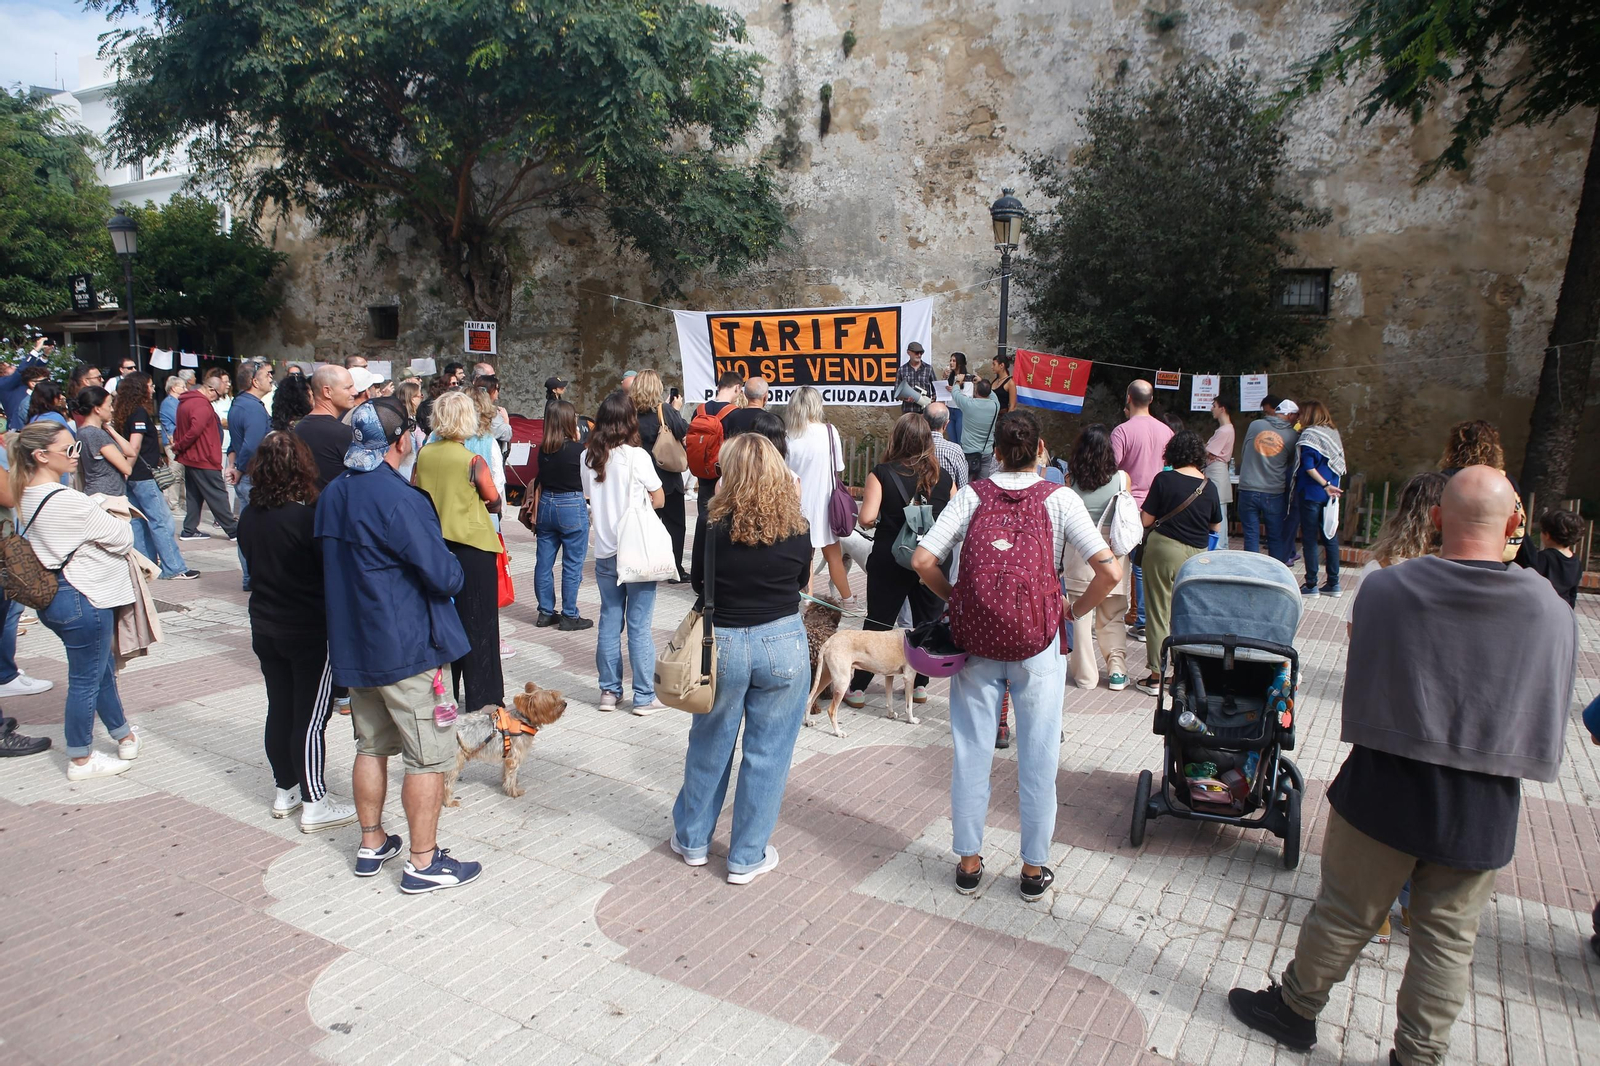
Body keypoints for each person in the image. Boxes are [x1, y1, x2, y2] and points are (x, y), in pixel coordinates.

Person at [1228, 466, 1578, 1066]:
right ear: (1516, 523)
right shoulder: (1548, 609)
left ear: (1437, 518)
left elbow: (1365, 673)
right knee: (1448, 941)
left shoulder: (1390, 587)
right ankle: (1419, 1056)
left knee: (1345, 912)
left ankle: (1294, 1009)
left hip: (1386, 780)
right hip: (1484, 798)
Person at [911, 409, 1120, 901]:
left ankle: (967, 862)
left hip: (977, 643)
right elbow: (1108, 571)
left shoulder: (970, 496)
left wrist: (955, 596)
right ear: (1041, 450)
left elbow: (923, 559)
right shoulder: (1060, 499)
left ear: (997, 452)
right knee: (1039, 756)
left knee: (971, 752)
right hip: (1038, 643)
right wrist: (1073, 611)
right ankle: (1032, 869)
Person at [317, 398, 482, 893]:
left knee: (370, 745)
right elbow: (445, 575)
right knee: (428, 756)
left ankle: (372, 842)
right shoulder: (399, 499)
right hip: (407, 646)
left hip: (355, 644)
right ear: (401, 441)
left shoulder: (332, 493)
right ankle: (423, 862)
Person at [673, 434, 813, 884]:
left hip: (725, 641)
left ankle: (693, 838)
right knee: (768, 753)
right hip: (783, 640)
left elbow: (698, 584)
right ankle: (747, 854)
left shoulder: (713, 525)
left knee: (710, 744)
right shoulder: (798, 526)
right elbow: (801, 579)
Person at [1341, 469, 1448, 946]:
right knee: (1428, 809)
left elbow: (1355, 633)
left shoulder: (1380, 568)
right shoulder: (1462, 572)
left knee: (1382, 810)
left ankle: (1378, 906)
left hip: (1385, 706)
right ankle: (1414, 905)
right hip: (1442, 712)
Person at [236, 431, 357, 831]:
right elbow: (329, 572)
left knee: (281, 708)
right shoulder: (307, 519)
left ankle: (285, 788)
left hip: (265, 624)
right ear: (301, 468)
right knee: (310, 719)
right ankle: (315, 800)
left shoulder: (250, 516)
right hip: (306, 629)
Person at [13, 422, 140, 780]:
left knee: (98, 673)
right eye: (69, 450)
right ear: (41, 455)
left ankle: (123, 735)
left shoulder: (23, 491)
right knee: (87, 678)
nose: (76, 456)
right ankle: (81, 757)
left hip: (54, 597)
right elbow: (121, 536)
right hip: (84, 596)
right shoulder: (64, 499)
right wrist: (99, 509)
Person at [843, 414, 954, 709]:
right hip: (932, 559)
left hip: (891, 557)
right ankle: (919, 686)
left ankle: (858, 688)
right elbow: (955, 517)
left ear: (897, 439)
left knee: (878, 621)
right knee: (927, 622)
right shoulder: (943, 477)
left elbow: (866, 518)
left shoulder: (881, 473)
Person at [414, 391, 506, 717]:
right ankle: (485, 698)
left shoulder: (424, 454)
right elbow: (493, 499)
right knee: (480, 625)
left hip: (436, 546)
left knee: (443, 624)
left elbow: (415, 491)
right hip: (472, 546)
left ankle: (445, 694)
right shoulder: (472, 461)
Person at [583, 390, 666, 715]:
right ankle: (643, 697)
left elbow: (590, 496)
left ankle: (608, 691)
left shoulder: (588, 457)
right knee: (640, 625)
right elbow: (659, 498)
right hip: (637, 551)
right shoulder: (637, 457)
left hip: (605, 550)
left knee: (609, 620)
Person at [1134, 430, 1222, 696]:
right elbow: (1215, 525)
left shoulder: (1164, 479)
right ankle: (1184, 672)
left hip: (1163, 549)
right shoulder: (1209, 486)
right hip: (1197, 555)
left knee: (1158, 611)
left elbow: (1146, 521)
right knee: (1187, 614)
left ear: (1172, 453)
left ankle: (1156, 675)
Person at [1063, 424, 1132, 691]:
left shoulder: (1070, 480)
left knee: (1079, 615)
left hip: (1080, 553)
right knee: (1112, 615)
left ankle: (1086, 677)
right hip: (1112, 552)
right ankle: (1116, 671)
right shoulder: (1122, 478)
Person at [110, 373, 196, 580]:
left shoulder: (123, 412)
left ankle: (146, 566)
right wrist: (127, 468)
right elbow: (135, 445)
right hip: (143, 475)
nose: (153, 390)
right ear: (140, 389)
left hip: (132, 475)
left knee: (138, 522)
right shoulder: (138, 412)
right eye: (150, 386)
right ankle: (174, 567)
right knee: (161, 520)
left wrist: (125, 472)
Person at [1112, 380, 1174, 641]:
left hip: (1128, 505)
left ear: (1128, 398)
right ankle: (1146, 620)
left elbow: (1111, 469)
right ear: (1152, 400)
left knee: (1122, 564)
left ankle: (1126, 619)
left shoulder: (1121, 432)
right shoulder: (1166, 431)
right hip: (1160, 505)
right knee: (1145, 565)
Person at [784, 386, 853, 603]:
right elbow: (838, 467)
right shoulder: (830, 432)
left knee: (805, 557)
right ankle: (848, 599)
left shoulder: (788, 437)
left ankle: (806, 600)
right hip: (826, 504)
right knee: (834, 556)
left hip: (797, 503)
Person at [530, 400, 592, 631]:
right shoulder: (579, 451)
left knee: (544, 563)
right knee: (572, 563)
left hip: (547, 504)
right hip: (571, 503)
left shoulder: (542, 449)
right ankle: (569, 614)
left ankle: (545, 611)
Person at [1439, 419, 1527, 564]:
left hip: (1452, 557)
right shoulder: (1504, 481)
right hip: (1499, 558)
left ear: (1454, 447)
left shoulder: (1446, 478)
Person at [633, 370, 690, 582]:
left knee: (645, 524)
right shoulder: (664, 410)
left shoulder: (628, 412)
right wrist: (675, 410)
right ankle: (674, 569)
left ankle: (646, 565)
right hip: (666, 477)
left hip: (640, 477)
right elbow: (684, 430)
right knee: (675, 524)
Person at [172, 368, 238, 541]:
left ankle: (189, 529)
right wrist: (179, 445)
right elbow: (195, 430)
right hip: (203, 457)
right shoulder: (200, 404)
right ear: (210, 389)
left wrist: (180, 446)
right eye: (217, 394)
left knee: (194, 494)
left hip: (193, 456)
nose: (216, 398)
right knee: (217, 494)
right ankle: (233, 530)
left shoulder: (186, 402)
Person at [227, 361, 274, 591]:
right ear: (254, 381)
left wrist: (234, 465)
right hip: (254, 476)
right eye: (267, 374)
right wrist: (240, 467)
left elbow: (235, 443)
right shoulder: (252, 407)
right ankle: (255, 578)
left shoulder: (240, 403)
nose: (271, 378)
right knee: (258, 528)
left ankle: (250, 577)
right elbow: (251, 444)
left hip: (246, 474)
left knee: (247, 527)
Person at [1237, 396, 1300, 561]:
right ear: (1291, 415)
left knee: (1251, 535)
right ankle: (1275, 575)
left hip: (1248, 486)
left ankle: (1252, 573)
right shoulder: (1292, 436)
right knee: (1275, 536)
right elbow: (1290, 463)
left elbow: (1245, 451)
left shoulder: (1255, 425)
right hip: (1274, 490)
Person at [1293, 400, 1346, 597]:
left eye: (1301, 414)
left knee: (1310, 539)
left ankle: (1311, 584)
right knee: (1330, 537)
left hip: (1312, 492)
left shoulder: (1310, 435)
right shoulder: (1333, 433)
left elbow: (1308, 465)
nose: (1298, 418)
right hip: (1332, 494)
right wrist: (1331, 486)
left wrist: (1323, 484)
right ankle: (1334, 583)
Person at [295, 364, 358, 489]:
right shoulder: (342, 433)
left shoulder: (299, 428)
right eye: (348, 388)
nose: (355, 392)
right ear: (327, 392)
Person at [74, 386, 137, 500]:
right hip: (107, 494)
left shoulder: (83, 431)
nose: (112, 409)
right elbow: (127, 468)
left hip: (99, 492)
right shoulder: (96, 434)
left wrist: (110, 430)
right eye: (109, 405)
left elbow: (131, 451)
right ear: (97, 409)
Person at [1522, 509, 1584, 608]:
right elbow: (1573, 593)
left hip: (1544, 609)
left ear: (1547, 535)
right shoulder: (1576, 562)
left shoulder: (1543, 558)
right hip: (1563, 610)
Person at [948, 376, 1000, 482]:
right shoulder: (995, 405)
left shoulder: (969, 404)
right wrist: (981, 381)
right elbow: (993, 395)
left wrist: (958, 381)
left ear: (975, 391)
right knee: (982, 484)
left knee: (965, 483)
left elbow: (955, 393)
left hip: (969, 451)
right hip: (986, 451)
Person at [1204, 398, 1235, 543]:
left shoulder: (1224, 430)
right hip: (1215, 469)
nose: (1212, 409)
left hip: (1216, 469)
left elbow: (1209, 452)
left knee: (1218, 508)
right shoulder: (1226, 429)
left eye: (1214, 406)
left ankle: (1219, 544)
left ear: (1222, 408)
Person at [923, 402, 969, 493]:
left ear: (925, 421)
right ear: (946, 424)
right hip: (949, 503)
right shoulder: (955, 450)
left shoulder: (913, 447)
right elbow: (963, 487)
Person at [0, 357, 50, 430]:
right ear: (2, 372)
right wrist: (36, 349)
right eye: (9, 366)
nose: (14, 367)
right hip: (17, 428)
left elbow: (33, 372)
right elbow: (20, 371)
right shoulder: (3, 383)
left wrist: (45, 355)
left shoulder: (19, 382)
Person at [898, 341, 935, 414]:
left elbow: (935, 389)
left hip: (925, 412)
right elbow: (897, 392)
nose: (919, 355)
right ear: (909, 352)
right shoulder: (901, 370)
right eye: (916, 353)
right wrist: (905, 399)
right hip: (908, 411)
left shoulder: (929, 369)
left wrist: (933, 399)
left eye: (921, 353)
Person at [943, 351, 969, 444]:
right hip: (950, 409)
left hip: (960, 411)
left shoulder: (967, 378)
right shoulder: (951, 377)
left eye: (954, 361)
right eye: (950, 360)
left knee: (960, 440)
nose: (951, 363)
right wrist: (944, 378)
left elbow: (967, 397)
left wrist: (955, 389)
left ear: (960, 363)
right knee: (952, 440)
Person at [158, 373, 188, 443]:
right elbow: (181, 420)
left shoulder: (178, 401)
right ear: (174, 388)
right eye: (183, 387)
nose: (186, 390)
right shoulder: (168, 403)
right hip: (172, 441)